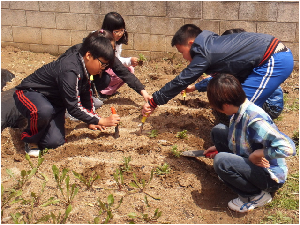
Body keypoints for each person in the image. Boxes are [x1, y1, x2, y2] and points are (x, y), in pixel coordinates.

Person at [142, 24, 293, 119]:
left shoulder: (205, 51)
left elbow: (182, 79)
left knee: (242, 108)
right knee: (232, 108)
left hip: (274, 59)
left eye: (182, 52)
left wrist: (154, 101)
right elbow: (219, 78)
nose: (184, 57)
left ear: (191, 43)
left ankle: (256, 147)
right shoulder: (213, 45)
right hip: (271, 57)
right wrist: (195, 87)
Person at [13, 32, 120, 157]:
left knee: (54, 142)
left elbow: (86, 94)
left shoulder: (84, 69)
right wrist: (101, 120)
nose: (103, 68)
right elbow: (73, 107)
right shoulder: (70, 69)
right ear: (89, 56)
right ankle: (31, 139)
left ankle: (39, 123)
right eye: (102, 63)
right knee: (43, 110)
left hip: (54, 103)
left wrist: (92, 120)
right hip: (30, 93)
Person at [203, 74, 295, 213]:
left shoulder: (255, 120)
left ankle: (256, 195)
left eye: (216, 107)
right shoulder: (238, 109)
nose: (215, 109)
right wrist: (219, 146)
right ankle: (234, 170)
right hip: (250, 157)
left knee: (221, 161)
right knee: (219, 131)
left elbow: (287, 147)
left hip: (269, 176)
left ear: (226, 105)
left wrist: (260, 153)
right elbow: (239, 135)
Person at [182, 28, 285, 119]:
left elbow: (220, 81)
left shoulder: (238, 62)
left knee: (222, 104)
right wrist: (194, 87)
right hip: (273, 103)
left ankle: (234, 125)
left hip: (269, 106)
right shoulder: (251, 56)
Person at [60, 29, 151, 104]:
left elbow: (124, 72)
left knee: (104, 82)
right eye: (109, 47)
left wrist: (144, 92)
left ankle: (89, 95)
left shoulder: (106, 56)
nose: (111, 51)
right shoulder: (74, 56)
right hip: (64, 87)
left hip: (83, 86)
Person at [99, 12, 141, 97]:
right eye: (116, 31)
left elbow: (116, 60)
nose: (120, 34)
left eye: (122, 30)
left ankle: (108, 92)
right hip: (98, 71)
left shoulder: (117, 41)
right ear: (108, 30)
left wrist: (129, 61)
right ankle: (99, 91)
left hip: (109, 68)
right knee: (106, 77)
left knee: (129, 70)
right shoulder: (100, 40)